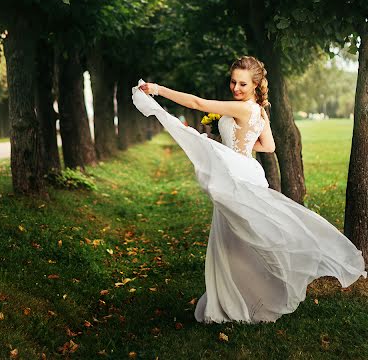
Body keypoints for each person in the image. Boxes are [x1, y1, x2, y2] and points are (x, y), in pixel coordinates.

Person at [132, 56, 367, 324]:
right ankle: (242, 298)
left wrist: (158, 90)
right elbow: (268, 146)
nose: (236, 88)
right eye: (233, 82)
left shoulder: (243, 108)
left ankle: (239, 302)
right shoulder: (259, 111)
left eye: (242, 84)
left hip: (236, 176)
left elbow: (198, 103)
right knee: (238, 239)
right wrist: (236, 146)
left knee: (234, 240)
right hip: (245, 171)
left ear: (255, 84)